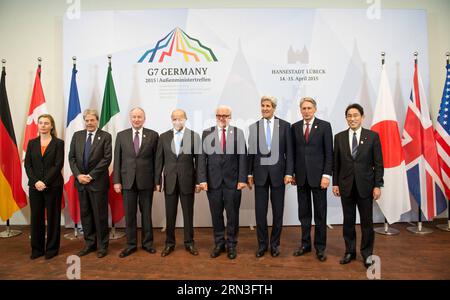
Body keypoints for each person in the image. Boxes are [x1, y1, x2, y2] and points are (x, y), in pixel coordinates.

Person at [332, 103, 383, 268]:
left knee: (367, 223)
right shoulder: (339, 137)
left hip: (366, 187)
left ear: (362, 117)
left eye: (355, 115)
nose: (352, 118)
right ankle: (349, 251)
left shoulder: (373, 136)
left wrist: (377, 185)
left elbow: (378, 164)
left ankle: (367, 254)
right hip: (345, 186)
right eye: (349, 116)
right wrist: (335, 184)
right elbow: (336, 164)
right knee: (348, 221)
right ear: (346, 118)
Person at [198, 105, 247, 259]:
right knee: (216, 215)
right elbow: (201, 158)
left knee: (232, 215)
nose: (222, 118)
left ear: (230, 117)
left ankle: (232, 244)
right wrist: (202, 179)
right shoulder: (207, 133)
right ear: (216, 116)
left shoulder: (238, 133)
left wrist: (242, 179)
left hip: (233, 183)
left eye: (225, 115)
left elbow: (242, 158)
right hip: (213, 182)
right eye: (219, 115)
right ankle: (219, 243)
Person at [248, 95, 294, 257]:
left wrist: (289, 172)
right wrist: (249, 173)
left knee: (278, 212)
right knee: (260, 212)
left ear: (274, 107)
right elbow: (251, 153)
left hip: (279, 175)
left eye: (268, 106)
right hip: (259, 174)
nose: (265, 108)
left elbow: (289, 152)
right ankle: (262, 245)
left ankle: (275, 244)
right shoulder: (254, 127)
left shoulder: (285, 126)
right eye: (263, 105)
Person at [155, 109, 201, 257]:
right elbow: (159, 161)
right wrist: (157, 181)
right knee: (170, 214)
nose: (177, 121)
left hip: (188, 181)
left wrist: (199, 182)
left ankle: (189, 242)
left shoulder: (193, 136)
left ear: (186, 119)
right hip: (169, 181)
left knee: (188, 214)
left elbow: (199, 161)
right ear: (171, 120)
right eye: (174, 118)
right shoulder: (163, 137)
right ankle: (169, 243)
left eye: (180, 118)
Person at [291, 97, 333, 262]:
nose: (306, 111)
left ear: (315, 109)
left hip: (319, 178)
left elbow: (329, 153)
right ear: (300, 110)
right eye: (303, 108)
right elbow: (292, 153)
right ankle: (305, 244)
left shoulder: (324, 126)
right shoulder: (294, 127)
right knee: (304, 214)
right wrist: (293, 173)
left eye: (309, 108)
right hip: (301, 178)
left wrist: (326, 175)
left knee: (320, 215)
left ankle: (320, 248)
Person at [113, 107, 159, 258]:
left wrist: (157, 181)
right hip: (127, 182)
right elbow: (117, 160)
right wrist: (117, 181)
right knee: (130, 215)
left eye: (139, 117)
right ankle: (131, 245)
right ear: (130, 118)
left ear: (144, 119)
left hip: (146, 181)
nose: (137, 119)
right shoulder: (121, 135)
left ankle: (148, 243)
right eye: (134, 117)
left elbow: (157, 161)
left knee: (146, 214)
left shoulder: (153, 135)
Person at [69, 109, 112, 258]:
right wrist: (78, 175)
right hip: (81, 183)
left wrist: (91, 176)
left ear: (97, 121)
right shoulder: (77, 136)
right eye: (87, 120)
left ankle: (102, 245)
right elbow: (71, 158)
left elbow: (106, 159)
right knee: (86, 215)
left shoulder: (106, 136)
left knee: (100, 215)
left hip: (98, 183)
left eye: (92, 120)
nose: (89, 123)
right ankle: (89, 244)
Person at [25, 114, 64, 260]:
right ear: (38, 125)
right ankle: (37, 249)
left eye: (46, 123)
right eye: (40, 123)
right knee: (36, 217)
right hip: (35, 187)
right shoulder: (32, 143)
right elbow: (27, 165)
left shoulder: (58, 143)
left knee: (53, 218)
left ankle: (52, 249)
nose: (43, 125)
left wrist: (45, 182)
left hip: (53, 185)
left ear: (51, 126)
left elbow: (58, 164)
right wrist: (36, 181)